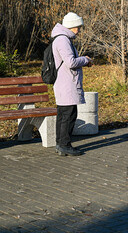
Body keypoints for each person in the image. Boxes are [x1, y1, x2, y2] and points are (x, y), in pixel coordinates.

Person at [51, 12, 93, 156]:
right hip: (66, 83)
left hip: (64, 82)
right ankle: (64, 145)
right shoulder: (63, 40)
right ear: (72, 26)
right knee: (68, 115)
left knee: (64, 115)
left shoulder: (61, 38)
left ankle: (60, 144)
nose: (79, 30)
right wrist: (85, 60)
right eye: (78, 26)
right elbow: (71, 62)